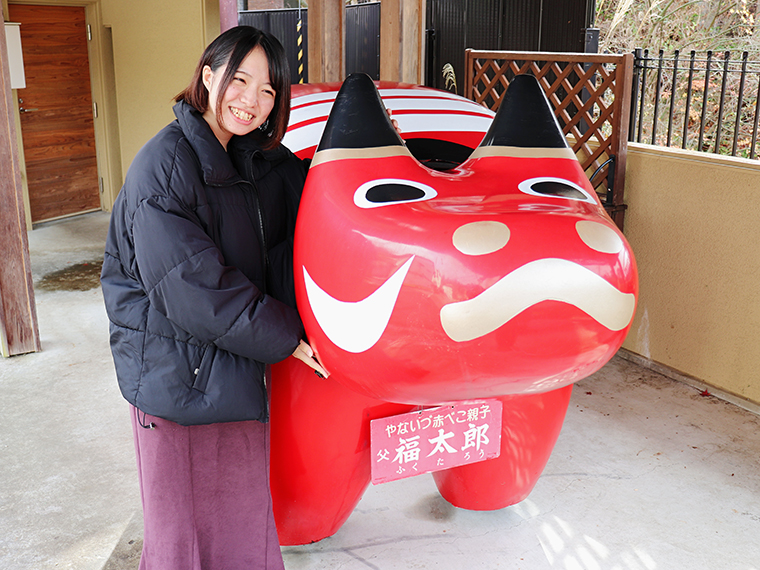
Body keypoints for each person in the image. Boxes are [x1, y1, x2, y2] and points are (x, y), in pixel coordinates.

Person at [101, 26, 327, 570]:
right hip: (174, 380)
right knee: (182, 539)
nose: (251, 100)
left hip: (233, 373)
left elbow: (316, 206)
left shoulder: (256, 164)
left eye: (269, 90)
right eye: (240, 79)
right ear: (208, 76)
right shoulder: (166, 164)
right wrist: (286, 337)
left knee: (241, 527)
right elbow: (191, 289)